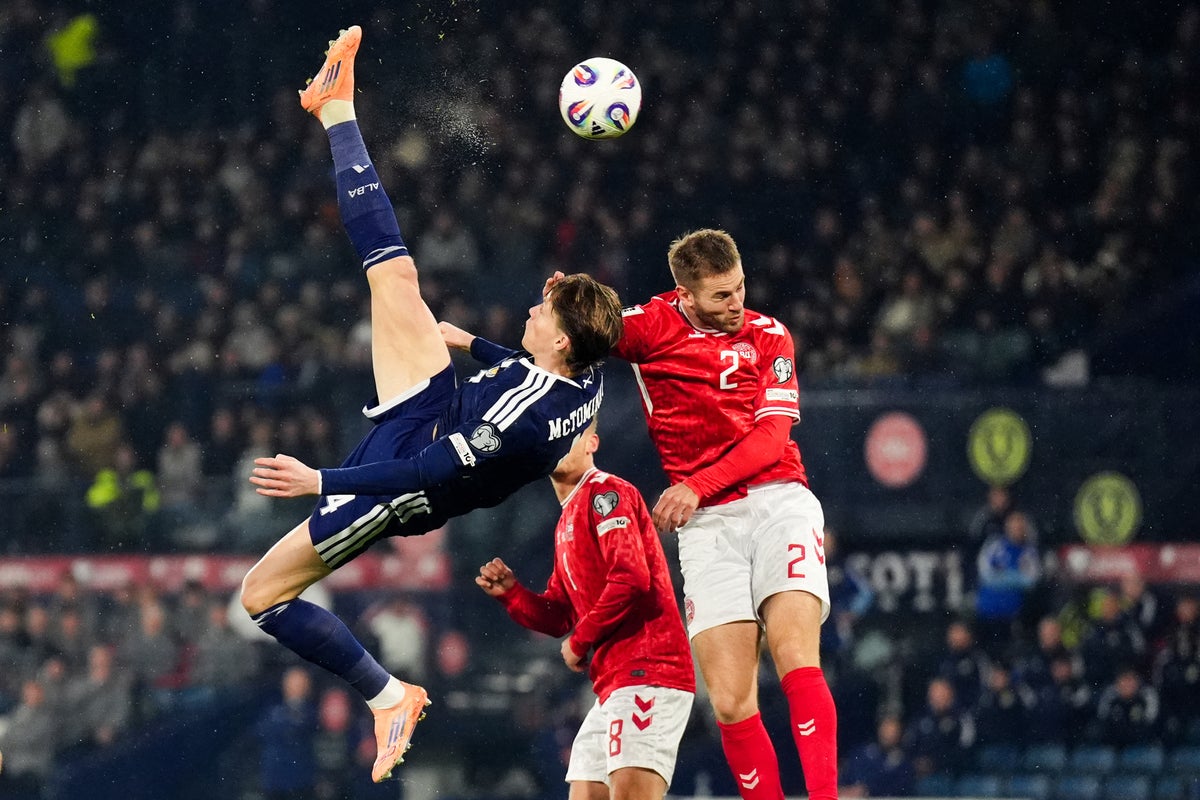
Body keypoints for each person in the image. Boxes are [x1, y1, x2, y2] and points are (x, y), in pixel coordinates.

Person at [237, 25, 623, 784]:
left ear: (562, 345)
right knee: (394, 277)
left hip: (406, 484)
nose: (534, 313)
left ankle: (389, 696)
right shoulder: (584, 376)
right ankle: (336, 108)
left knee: (261, 595)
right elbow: (529, 369)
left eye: (545, 315)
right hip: (437, 407)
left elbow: (420, 473)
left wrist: (322, 481)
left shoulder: (526, 415)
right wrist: (471, 341)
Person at [572, 227, 837, 800]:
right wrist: (565, 303)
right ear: (685, 295)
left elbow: (771, 439)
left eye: (740, 287)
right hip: (709, 526)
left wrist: (696, 484)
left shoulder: (770, 336)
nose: (737, 303)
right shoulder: (649, 327)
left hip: (778, 501)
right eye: (721, 296)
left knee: (794, 656)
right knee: (731, 699)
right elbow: (574, 336)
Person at [467, 417, 695, 800]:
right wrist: (514, 595)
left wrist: (580, 641)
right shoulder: (566, 521)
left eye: (568, 435)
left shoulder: (606, 492)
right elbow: (559, 616)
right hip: (613, 684)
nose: (556, 443)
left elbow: (630, 579)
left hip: (649, 670)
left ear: (592, 443)